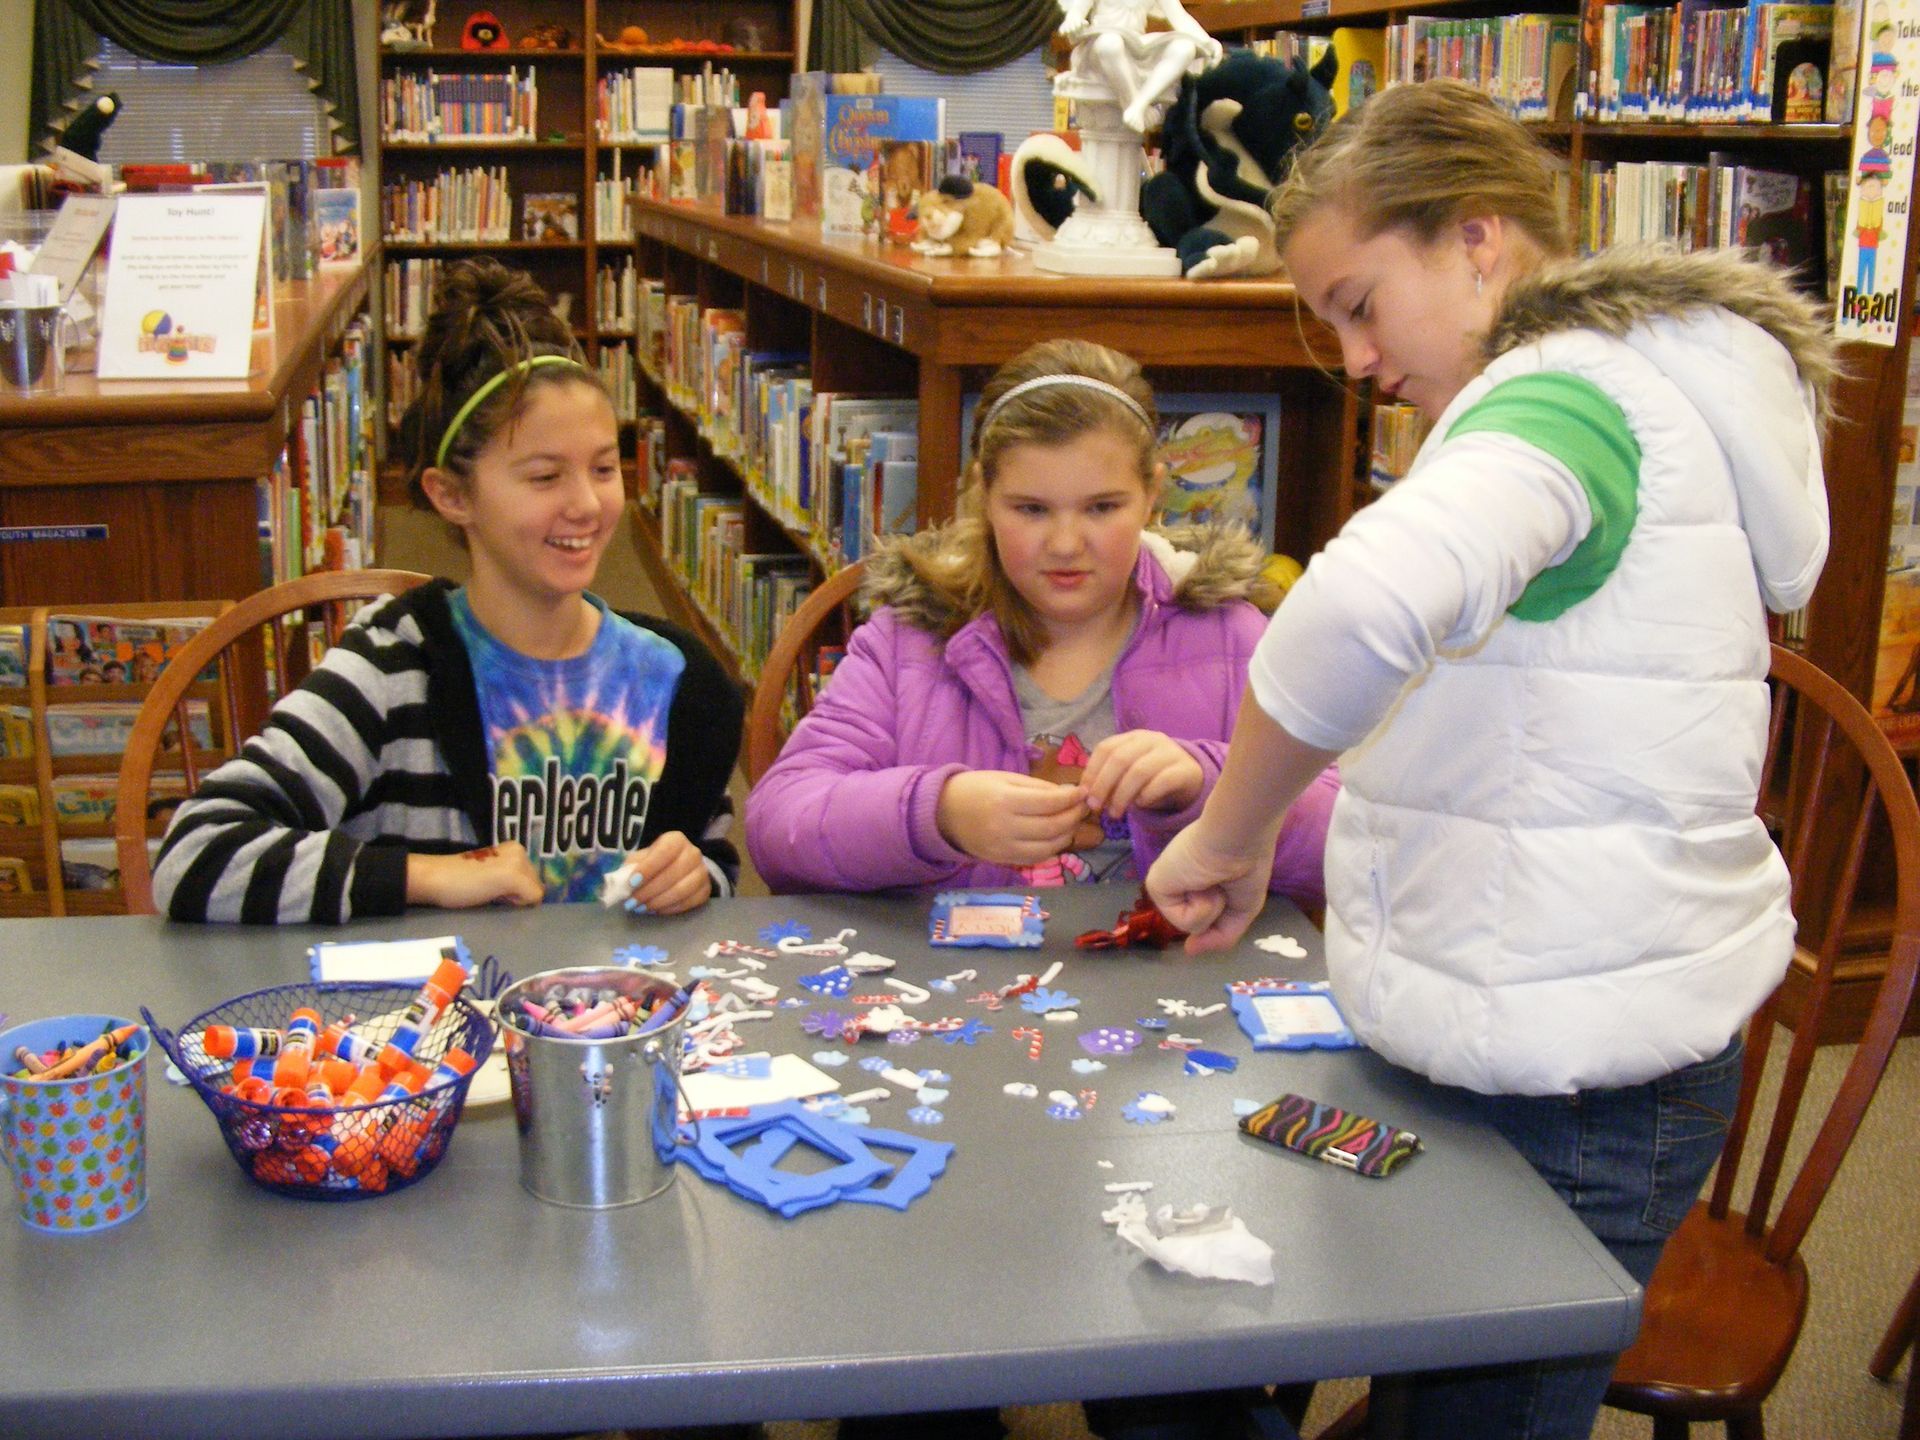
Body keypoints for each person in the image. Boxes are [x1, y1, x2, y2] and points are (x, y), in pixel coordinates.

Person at [1145, 80, 1836, 1440]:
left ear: (1478, 241)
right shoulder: (1609, 394)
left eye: (1360, 302)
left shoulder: (1562, 404)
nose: (1351, 360)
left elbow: (1355, 612)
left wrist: (1228, 836)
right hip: (1559, 1023)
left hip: (1580, 1072)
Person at [154, 258, 742, 925]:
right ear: (451, 494)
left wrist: (696, 882)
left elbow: (715, 871)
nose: (586, 504)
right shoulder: (394, 666)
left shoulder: (674, 681)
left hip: (605, 1021)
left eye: (604, 469)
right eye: (545, 478)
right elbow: (194, 854)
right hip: (440, 1020)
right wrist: (425, 876)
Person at [746, 336, 1334, 908]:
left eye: (1103, 507)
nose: (1065, 544)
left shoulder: (1228, 635)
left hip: (1172, 976)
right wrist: (939, 813)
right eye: (1030, 509)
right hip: (962, 987)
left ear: (1152, 493)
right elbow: (780, 828)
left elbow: (1347, 840)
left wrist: (1204, 786)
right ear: (982, 495)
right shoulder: (912, 639)